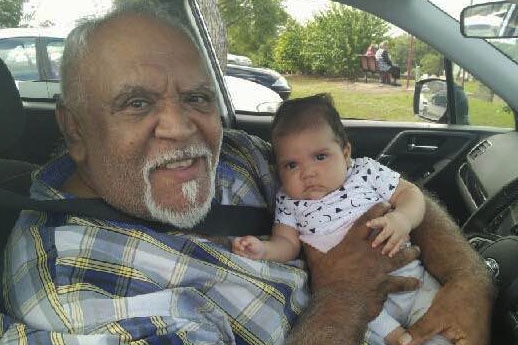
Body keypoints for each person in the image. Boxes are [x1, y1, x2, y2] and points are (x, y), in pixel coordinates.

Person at [0, 2, 493, 345]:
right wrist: (346, 293)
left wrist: (468, 279)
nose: (180, 127)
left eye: (196, 97)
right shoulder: (70, 294)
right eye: (136, 103)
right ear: (75, 129)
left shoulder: (236, 152)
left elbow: (377, 193)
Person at [232, 93, 450, 345]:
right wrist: (263, 249)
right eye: (291, 165)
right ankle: (399, 337)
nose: (308, 173)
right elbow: (287, 243)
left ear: (345, 153)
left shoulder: (365, 171)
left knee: (441, 324)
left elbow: (410, 194)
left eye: (320, 157)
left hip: (412, 280)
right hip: (357, 303)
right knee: (364, 325)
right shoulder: (289, 200)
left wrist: (402, 219)